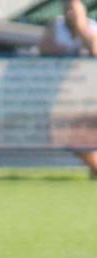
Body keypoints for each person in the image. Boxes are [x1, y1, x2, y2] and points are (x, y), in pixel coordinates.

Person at [39, 0, 97, 177]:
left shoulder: (92, 28)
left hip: (90, 94)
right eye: (67, 9)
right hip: (64, 95)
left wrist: (80, 28)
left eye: (74, 10)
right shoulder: (56, 26)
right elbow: (45, 50)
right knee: (72, 136)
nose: (70, 14)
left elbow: (94, 49)